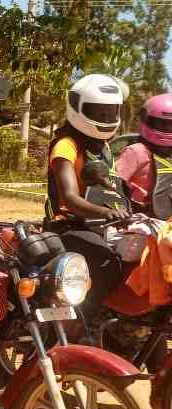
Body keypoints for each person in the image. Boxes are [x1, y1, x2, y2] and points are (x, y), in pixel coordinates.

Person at [45, 73, 130, 312]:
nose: (106, 118)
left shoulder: (104, 148)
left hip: (102, 225)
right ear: (76, 108)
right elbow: (70, 199)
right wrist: (104, 213)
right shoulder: (66, 145)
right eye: (98, 112)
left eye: (110, 112)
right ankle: (87, 321)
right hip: (68, 226)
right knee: (106, 262)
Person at [117, 93, 172, 219]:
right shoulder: (136, 152)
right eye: (162, 124)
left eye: (171, 125)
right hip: (139, 217)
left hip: (166, 218)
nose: (168, 129)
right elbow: (114, 182)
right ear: (146, 120)